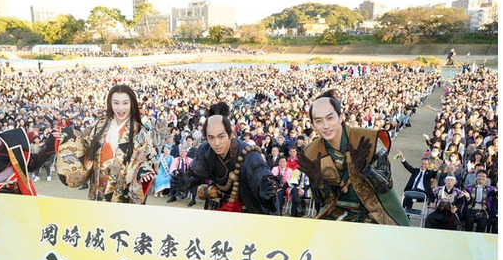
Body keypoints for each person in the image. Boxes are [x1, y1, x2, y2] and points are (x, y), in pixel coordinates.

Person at [298, 90, 410, 225]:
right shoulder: (312, 152)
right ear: (313, 124)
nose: (326, 126)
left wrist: (366, 170)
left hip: (378, 211)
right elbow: (325, 199)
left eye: (330, 118)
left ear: (341, 117)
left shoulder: (369, 139)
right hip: (337, 213)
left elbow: (386, 185)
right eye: (319, 121)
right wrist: (318, 182)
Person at [56, 84, 156, 203]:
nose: (120, 108)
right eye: (116, 103)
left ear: (132, 104)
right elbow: (84, 142)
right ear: (110, 103)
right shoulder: (100, 125)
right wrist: (68, 137)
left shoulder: (140, 133)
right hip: (97, 186)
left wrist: (143, 172)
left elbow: (148, 159)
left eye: (125, 103)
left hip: (122, 193)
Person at [170, 113, 278, 214]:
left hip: (247, 206)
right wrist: (187, 182)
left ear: (230, 134)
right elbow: (196, 175)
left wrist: (265, 187)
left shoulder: (248, 154)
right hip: (219, 202)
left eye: (221, 136)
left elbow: (262, 175)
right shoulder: (206, 150)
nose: (216, 143)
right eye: (211, 137)